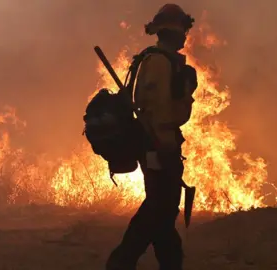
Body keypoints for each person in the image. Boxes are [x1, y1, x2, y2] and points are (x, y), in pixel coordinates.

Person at [105, 3, 197, 270]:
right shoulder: (158, 62)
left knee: (162, 213)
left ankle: (164, 262)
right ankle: (121, 261)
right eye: (183, 30)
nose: (185, 36)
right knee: (159, 210)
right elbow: (156, 111)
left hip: (161, 144)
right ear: (173, 32)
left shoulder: (165, 61)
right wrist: (162, 147)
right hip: (158, 146)